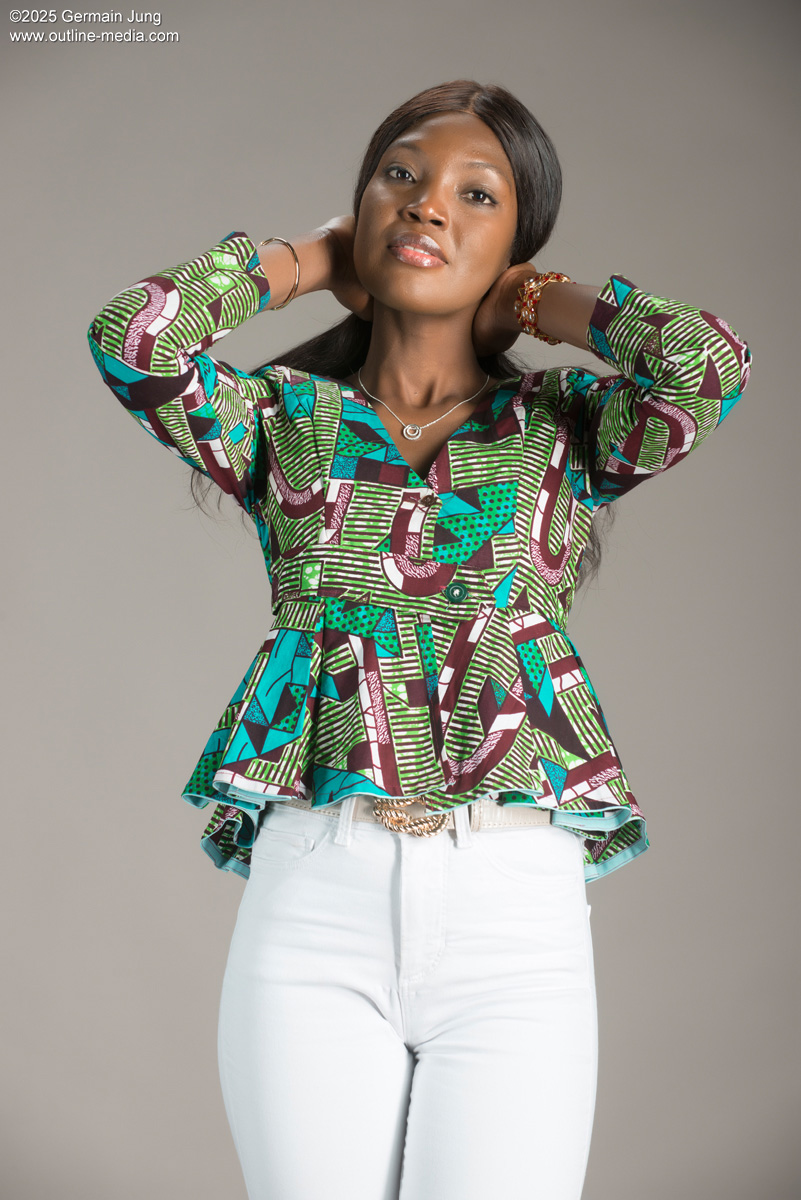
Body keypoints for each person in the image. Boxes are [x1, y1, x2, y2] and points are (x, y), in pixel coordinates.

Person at [86, 79, 751, 1200]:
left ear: (515, 240)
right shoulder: (281, 419)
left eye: (476, 195)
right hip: (315, 898)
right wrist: (307, 260)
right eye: (400, 175)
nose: (428, 205)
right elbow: (133, 338)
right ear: (361, 203)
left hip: (513, 915)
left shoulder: (562, 430)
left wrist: (536, 301)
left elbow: (707, 364)